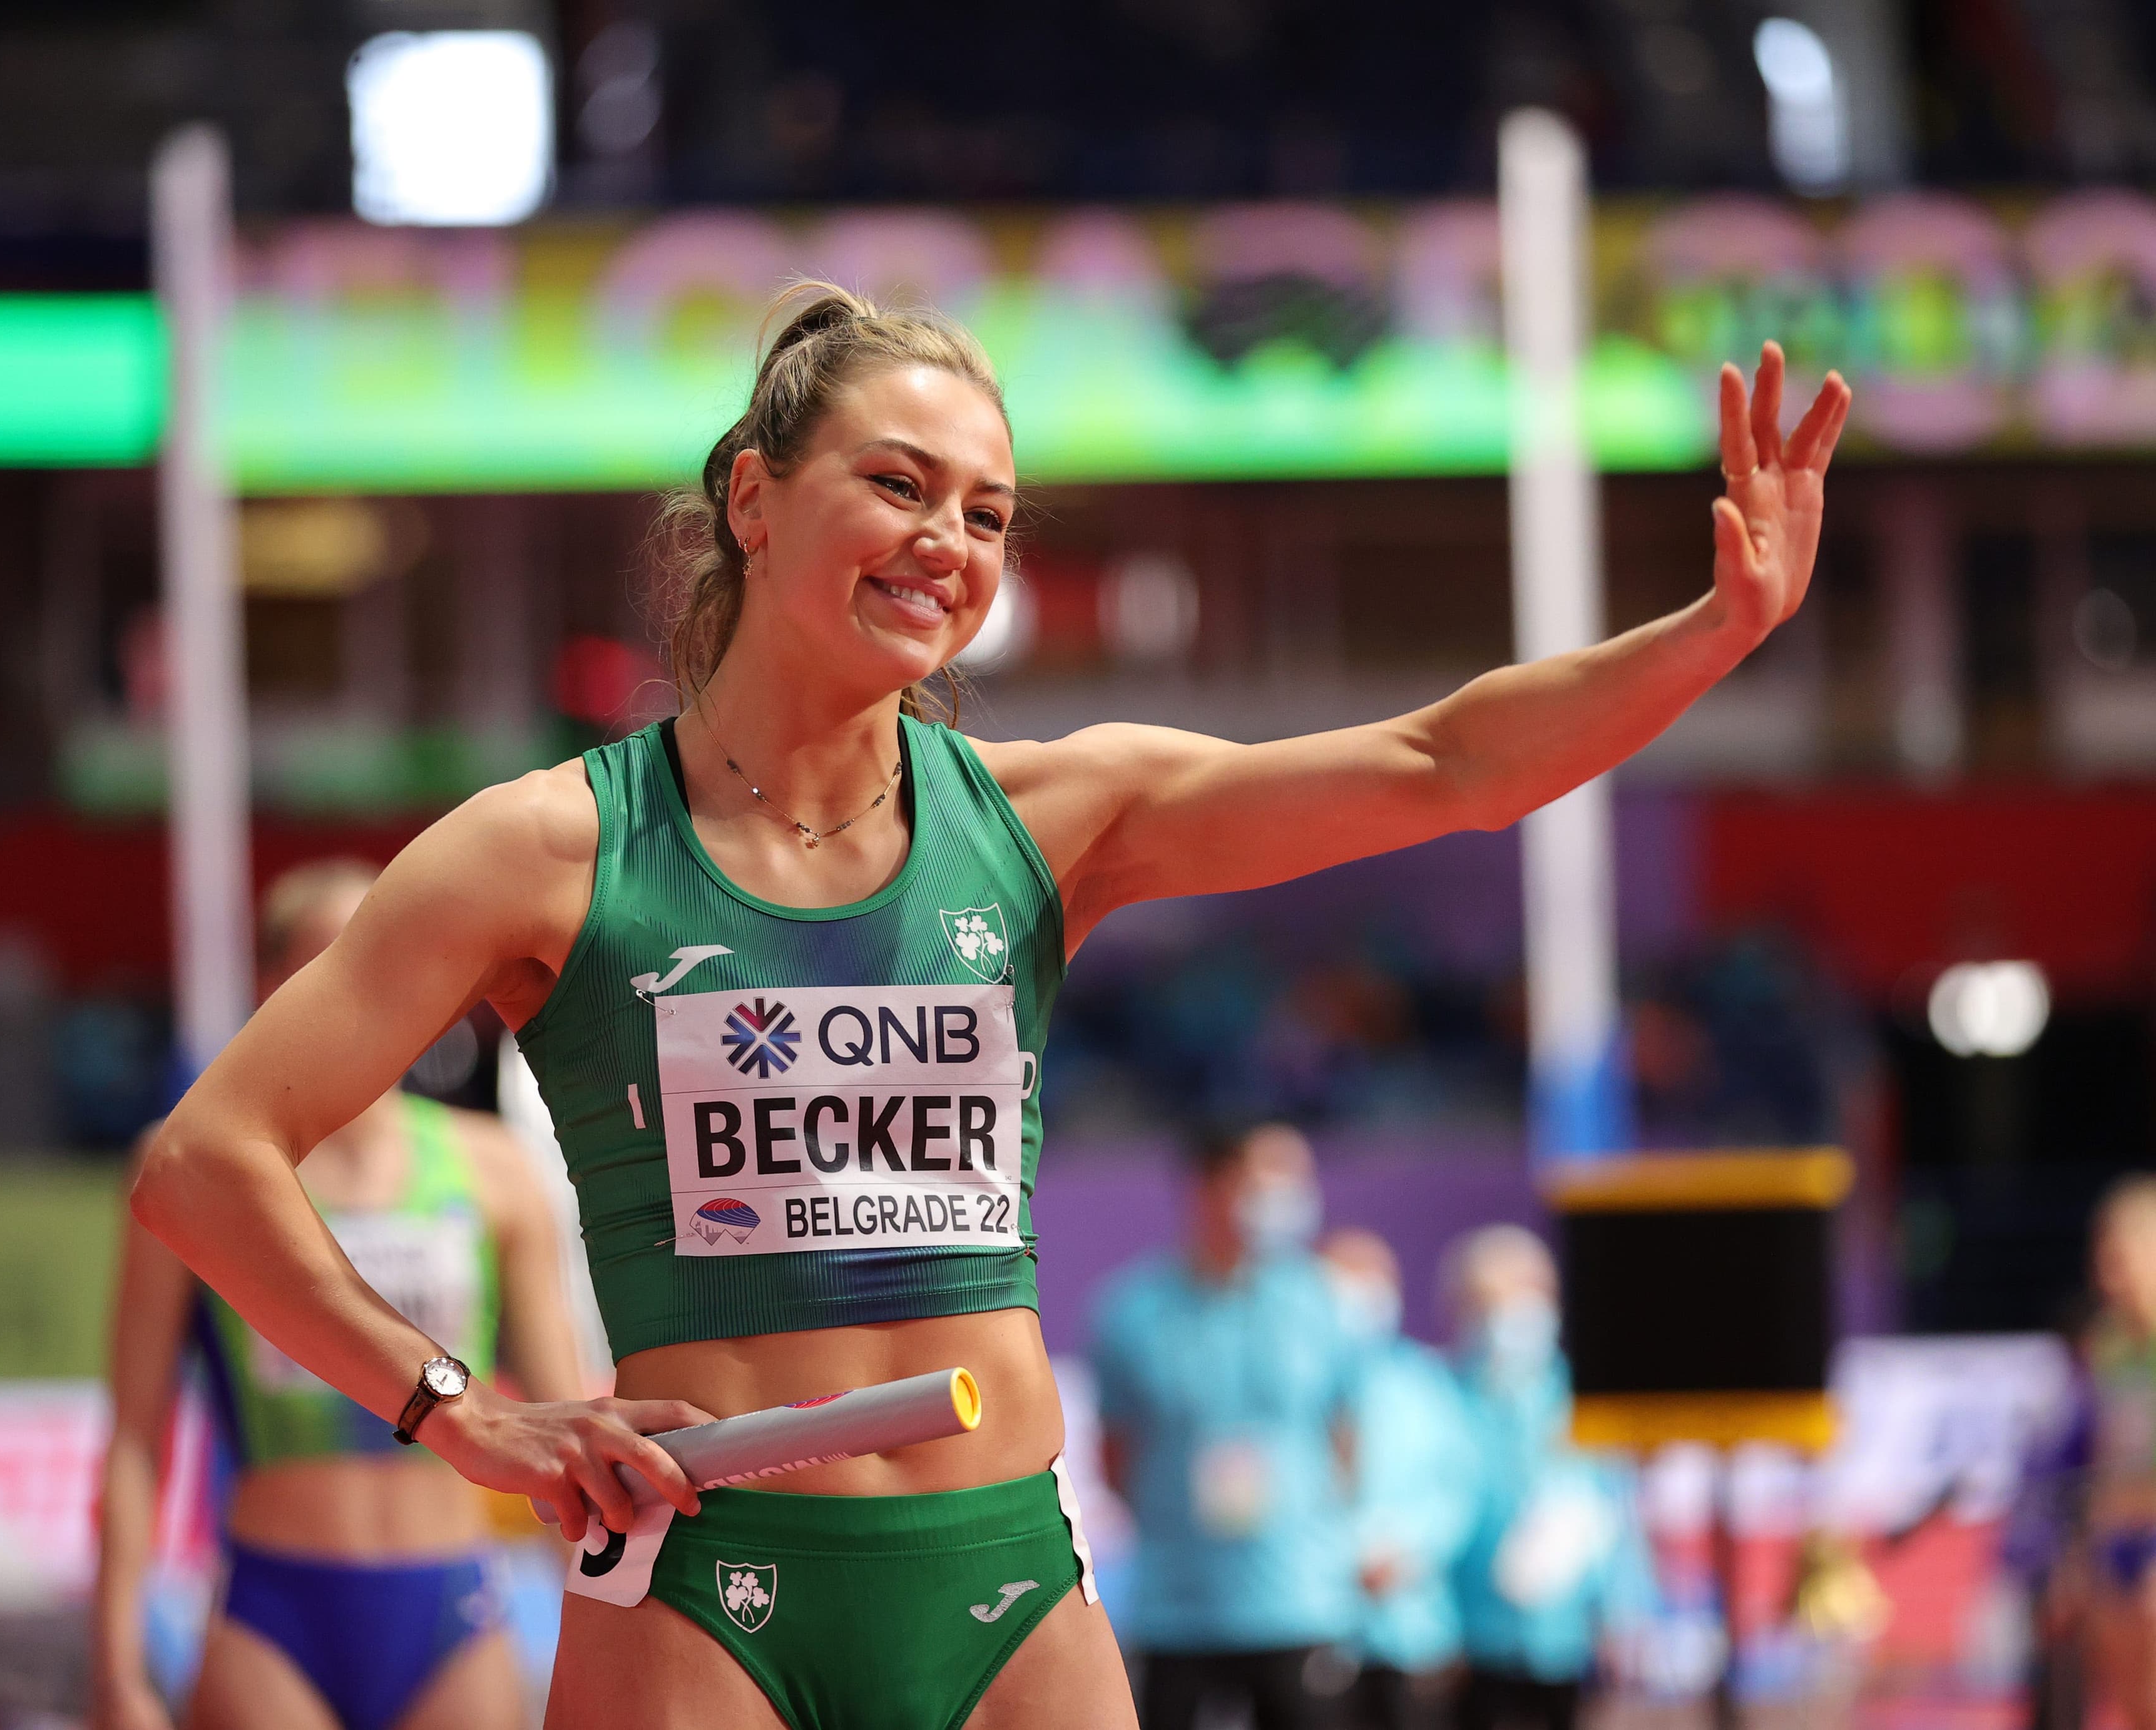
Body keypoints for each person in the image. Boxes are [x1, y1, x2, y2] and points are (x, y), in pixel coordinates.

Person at [125, 277, 1846, 1730]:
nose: (948, 539)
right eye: (897, 483)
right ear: (751, 496)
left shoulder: (1050, 820)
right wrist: (465, 1407)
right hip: (704, 1598)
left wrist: (1720, 623)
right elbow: (205, 1161)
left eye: (989, 511)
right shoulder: (550, 849)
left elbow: (1444, 762)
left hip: (1005, 1582)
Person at [93, 860, 585, 1730]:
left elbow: (561, 1420)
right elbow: (135, 1437)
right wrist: (115, 1663)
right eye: (330, 963)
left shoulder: (496, 1172)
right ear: (272, 985)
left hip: (451, 1604)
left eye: (388, 959)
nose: (366, 991)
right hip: (275, 1610)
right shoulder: (192, 1174)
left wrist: (609, 1634)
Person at [1090, 1124, 1360, 1729]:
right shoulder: (1132, 1311)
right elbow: (1114, 1454)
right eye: (1266, 1178)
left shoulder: (1322, 1301)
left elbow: (1345, 1437)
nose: (1285, 1195)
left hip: (1299, 1601)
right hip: (1178, 1610)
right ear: (1208, 1187)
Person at [1443, 1227, 1651, 1730]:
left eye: (1525, 1295)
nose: (1511, 1315)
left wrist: (1622, 1615)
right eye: (1493, 1300)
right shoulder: (1445, 1398)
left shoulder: (1578, 1399)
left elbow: (1617, 1510)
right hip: (1473, 1636)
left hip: (1565, 1636)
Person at [1322, 1229, 1478, 1730]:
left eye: (1374, 1282)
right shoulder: (1295, 1383)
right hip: (1319, 1629)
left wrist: (1406, 1555)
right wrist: (1342, 1558)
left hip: (1412, 1629)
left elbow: (1457, 1491)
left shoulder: (1424, 1383)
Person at [2081, 1176, 2156, 1729]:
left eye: (2120, 1259)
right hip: (2117, 1535)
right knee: (2129, 1701)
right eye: (2103, 1261)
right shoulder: (2106, 1347)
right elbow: (2104, 1449)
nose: (2108, 1276)